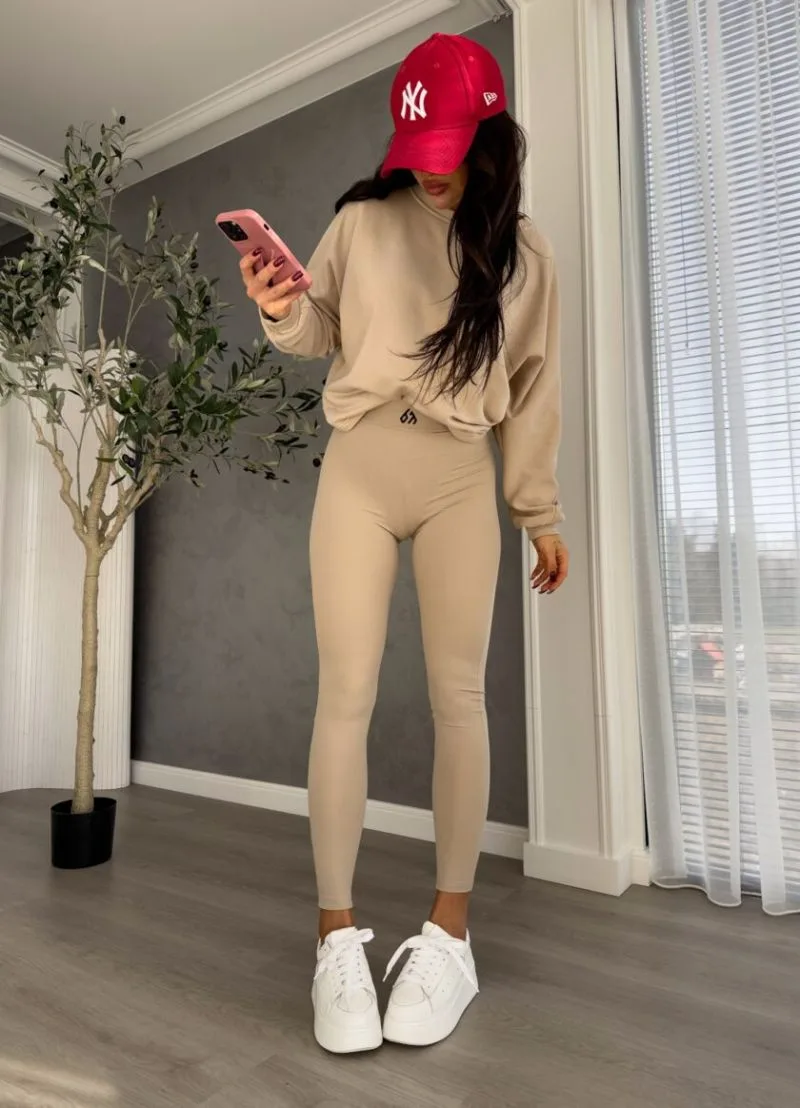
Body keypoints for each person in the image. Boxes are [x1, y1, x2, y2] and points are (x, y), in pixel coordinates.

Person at [239, 32, 569, 1055]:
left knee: (457, 697)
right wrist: (278, 307)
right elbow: (318, 331)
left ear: (488, 137)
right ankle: (335, 940)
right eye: (417, 146)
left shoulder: (523, 254)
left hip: (460, 473)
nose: (430, 168)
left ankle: (449, 936)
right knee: (343, 694)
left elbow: (531, 391)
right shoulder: (361, 219)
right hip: (360, 467)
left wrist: (539, 511)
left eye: (449, 146)